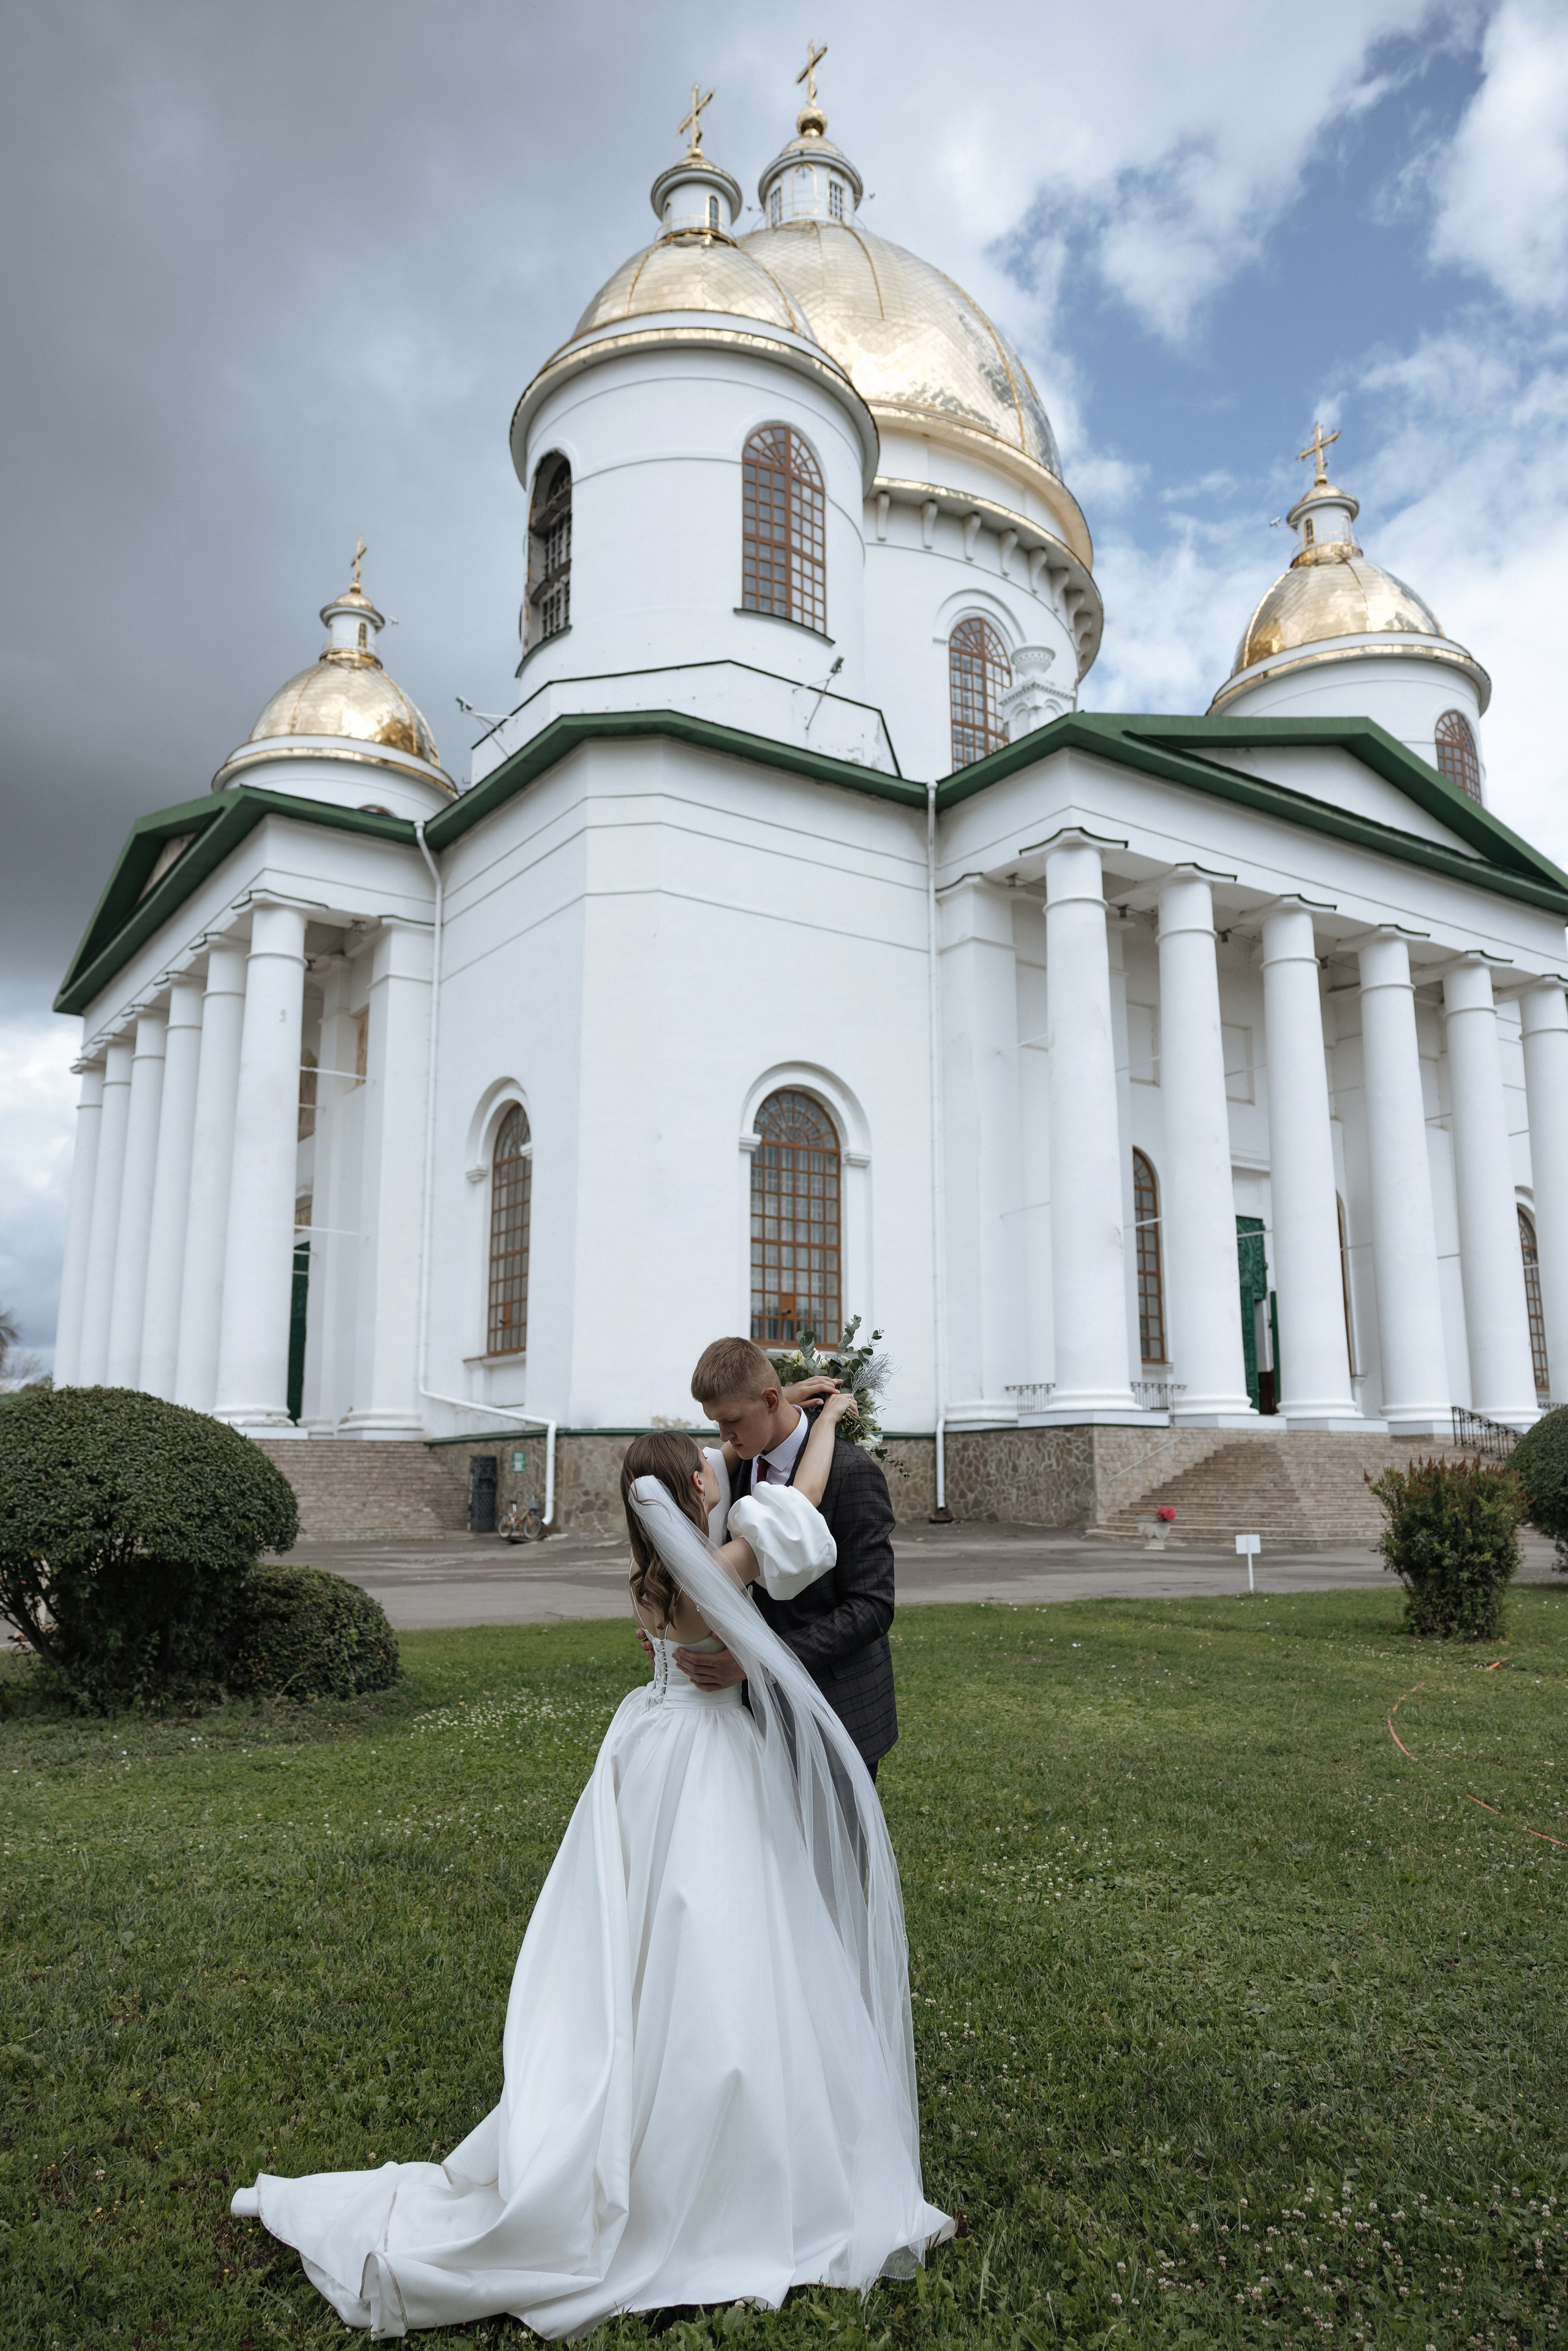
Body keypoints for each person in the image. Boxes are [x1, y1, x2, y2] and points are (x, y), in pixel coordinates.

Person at [228, 1418, 948, 2338]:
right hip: (713, 1759)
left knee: (640, 1929)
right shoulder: (714, 1568)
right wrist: (831, 1420)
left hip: (650, 1748)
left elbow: (727, 1483)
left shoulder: (651, 1571)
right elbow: (801, 1504)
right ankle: (722, 2144)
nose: (719, 1469)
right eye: (707, 1470)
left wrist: (770, 1419)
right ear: (696, 1493)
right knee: (722, 1929)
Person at [686, 1335, 898, 1778]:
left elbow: (871, 1608)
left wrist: (756, 1662)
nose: (724, 1436)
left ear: (769, 1400)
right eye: (715, 1423)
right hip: (747, 1718)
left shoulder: (851, 1473)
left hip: (835, 1708)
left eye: (731, 1421)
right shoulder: (733, 1468)